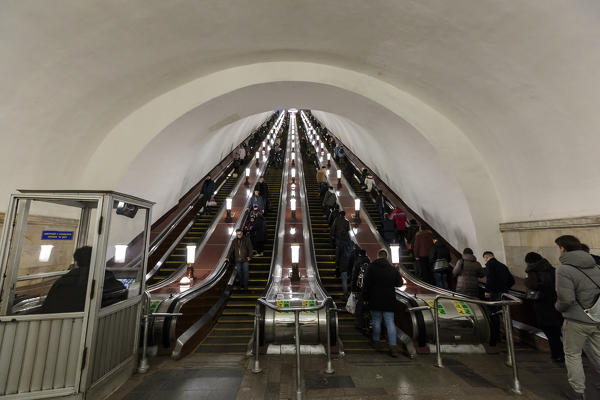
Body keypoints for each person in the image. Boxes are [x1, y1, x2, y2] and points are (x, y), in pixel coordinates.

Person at [554, 235, 600, 398]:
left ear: (563, 249)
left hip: (576, 321)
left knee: (573, 355)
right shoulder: (596, 267)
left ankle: (578, 392)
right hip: (597, 317)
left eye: (558, 248)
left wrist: (558, 308)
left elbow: (566, 299)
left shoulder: (564, 270)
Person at [42, 246, 126, 313]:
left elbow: (48, 307)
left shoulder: (63, 281)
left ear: (77, 262)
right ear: (96, 260)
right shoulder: (105, 278)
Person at [523, 252, 565, 362]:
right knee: (557, 329)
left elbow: (533, 285)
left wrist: (526, 279)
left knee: (550, 332)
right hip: (555, 301)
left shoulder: (531, 271)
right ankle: (561, 352)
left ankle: (557, 354)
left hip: (542, 304)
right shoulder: (551, 268)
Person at [362, 249, 404, 357]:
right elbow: (399, 283)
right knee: (390, 323)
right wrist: (397, 272)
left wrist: (365, 298)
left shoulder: (371, 267)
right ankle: (393, 347)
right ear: (387, 257)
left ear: (378, 256)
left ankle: (377, 342)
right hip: (389, 300)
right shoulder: (392, 269)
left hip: (374, 299)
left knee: (376, 321)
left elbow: (366, 284)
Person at [482, 250, 515, 347]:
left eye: (485, 259)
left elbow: (490, 279)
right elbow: (512, 281)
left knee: (494, 315)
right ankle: (509, 338)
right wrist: (505, 288)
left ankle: (495, 339)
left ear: (486, 257)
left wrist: (487, 290)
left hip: (494, 294)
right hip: (504, 293)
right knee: (506, 315)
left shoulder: (489, 265)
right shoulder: (503, 266)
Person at [351, 248, 371, 333]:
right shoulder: (370, 263)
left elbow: (355, 275)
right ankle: (366, 324)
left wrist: (353, 288)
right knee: (366, 308)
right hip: (368, 289)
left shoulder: (358, 262)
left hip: (360, 288)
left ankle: (360, 324)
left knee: (359, 307)